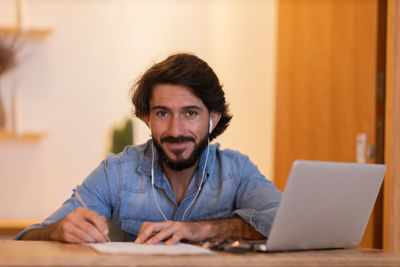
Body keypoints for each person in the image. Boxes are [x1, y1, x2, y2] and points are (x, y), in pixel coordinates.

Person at [16, 53, 282, 244]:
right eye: (163, 114)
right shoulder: (116, 172)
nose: (176, 130)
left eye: (190, 113)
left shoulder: (237, 171)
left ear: (213, 119)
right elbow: (27, 238)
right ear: (147, 118)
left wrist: (203, 229)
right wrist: (58, 231)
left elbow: (284, 220)